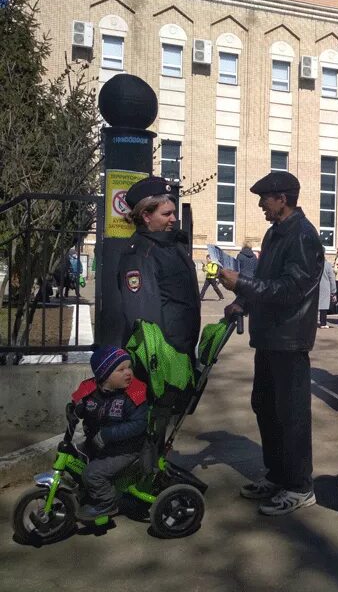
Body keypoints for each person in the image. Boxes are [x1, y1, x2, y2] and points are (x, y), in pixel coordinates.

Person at [219, 170, 324, 516]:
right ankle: (278, 474)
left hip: (290, 341)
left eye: (265, 198)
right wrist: (243, 302)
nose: (261, 204)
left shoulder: (303, 237)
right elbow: (267, 280)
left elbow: (290, 291)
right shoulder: (275, 233)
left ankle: (299, 485)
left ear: (282, 198)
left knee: (291, 415)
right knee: (265, 407)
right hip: (268, 337)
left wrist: (241, 286)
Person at [118, 177, 200, 358]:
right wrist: (161, 361)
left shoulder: (170, 244)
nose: (173, 219)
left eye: (174, 212)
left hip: (181, 349)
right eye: (166, 214)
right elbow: (144, 317)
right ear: (146, 216)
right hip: (162, 358)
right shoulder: (140, 254)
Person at [71, 346, 147, 521]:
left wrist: (107, 435)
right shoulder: (92, 390)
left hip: (126, 449)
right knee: (74, 457)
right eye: (121, 370)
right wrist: (75, 409)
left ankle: (107, 503)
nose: (128, 373)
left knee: (93, 473)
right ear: (104, 375)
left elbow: (139, 425)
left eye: (129, 367)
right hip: (99, 443)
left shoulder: (133, 394)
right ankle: (88, 491)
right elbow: (80, 402)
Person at [318, 258, 336, 328]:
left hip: (315, 286)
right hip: (325, 287)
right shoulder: (327, 265)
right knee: (323, 306)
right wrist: (333, 290)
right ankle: (323, 323)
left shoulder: (313, 263)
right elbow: (331, 278)